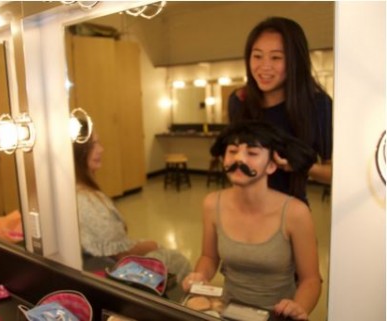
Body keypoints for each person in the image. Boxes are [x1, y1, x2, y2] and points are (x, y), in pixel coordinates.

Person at [184, 120, 321, 320]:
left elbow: (311, 280)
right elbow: (209, 257)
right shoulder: (212, 204)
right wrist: (200, 276)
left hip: (277, 315)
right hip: (227, 310)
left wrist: (298, 307)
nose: (239, 159)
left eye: (252, 153)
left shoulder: (295, 213)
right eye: (232, 151)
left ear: (272, 165)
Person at [211, 16, 332, 202]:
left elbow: (335, 173)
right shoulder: (239, 101)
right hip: (242, 208)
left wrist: (301, 166)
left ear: (295, 61)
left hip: (289, 213)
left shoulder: (318, 105)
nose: (264, 67)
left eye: (276, 57)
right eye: (257, 56)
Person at [73, 129, 191, 284]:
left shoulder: (74, 192)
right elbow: (121, 254)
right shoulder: (87, 202)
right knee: (177, 259)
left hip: (100, 264)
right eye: (94, 144)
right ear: (77, 151)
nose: (101, 149)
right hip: (113, 275)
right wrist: (153, 245)